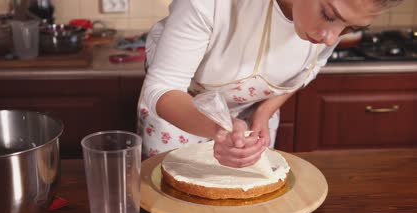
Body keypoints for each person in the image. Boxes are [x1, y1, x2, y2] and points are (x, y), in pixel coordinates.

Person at [137, 0, 402, 167]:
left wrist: (264, 113)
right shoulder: (210, 4)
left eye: (351, 28)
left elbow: (306, 72)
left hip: (250, 121)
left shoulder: (329, 27)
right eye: (329, 15)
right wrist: (220, 130)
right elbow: (162, 87)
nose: (331, 39)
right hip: (179, 114)